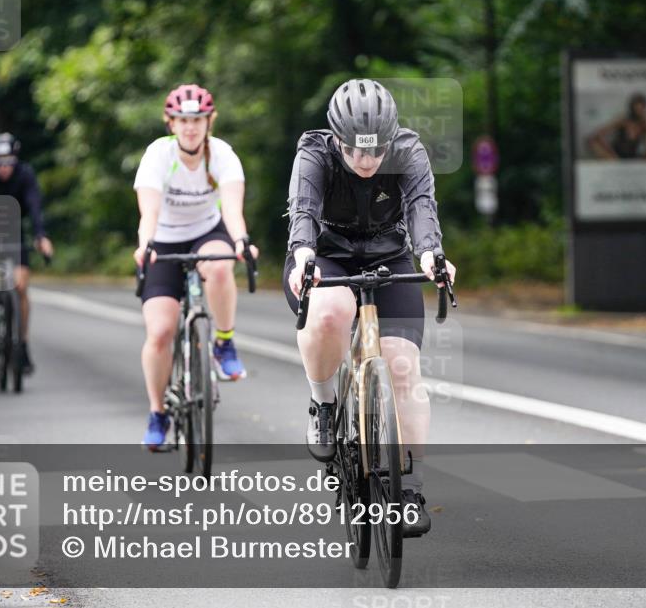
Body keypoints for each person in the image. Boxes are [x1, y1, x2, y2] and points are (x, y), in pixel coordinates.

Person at [284, 79, 457, 536]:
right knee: (330, 312)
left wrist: (430, 256)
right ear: (337, 139)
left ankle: (411, 489)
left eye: (375, 151)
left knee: (402, 368)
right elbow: (302, 211)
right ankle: (323, 406)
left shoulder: (408, 150)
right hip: (325, 255)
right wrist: (303, 255)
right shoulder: (314, 153)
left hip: (389, 256)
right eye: (355, 151)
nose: (366, 162)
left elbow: (422, 208)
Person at [133, 84, 258, 450]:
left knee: (220, 267)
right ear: (171, 123)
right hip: (164, 238)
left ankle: (223, 342)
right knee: (159, 332)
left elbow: (233, 211)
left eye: (198, 120)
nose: (190, 127)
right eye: (183, 120)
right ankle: (158, 413)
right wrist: (145, 246)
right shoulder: (158, 155)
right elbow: (149, 213)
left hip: (208, 231)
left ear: (209, 122)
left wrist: (241, 242)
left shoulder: (221, 155)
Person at [0, 133, 54, 374]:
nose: (4, 168)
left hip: (16, 231)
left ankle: (23, 344)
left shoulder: (25, 174)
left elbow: (34, 205)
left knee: (21, 287)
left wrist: (41, 237)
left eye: (9, 163)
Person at [587, 92, 646, 160]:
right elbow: (597, 135)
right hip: (615, 156)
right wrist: (611, 153)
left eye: (642, 109)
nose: (639, 111)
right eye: (637, 108)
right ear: (632, 108)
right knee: (591, 141)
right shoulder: (623, 121)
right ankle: (613, 161)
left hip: (632, 157)